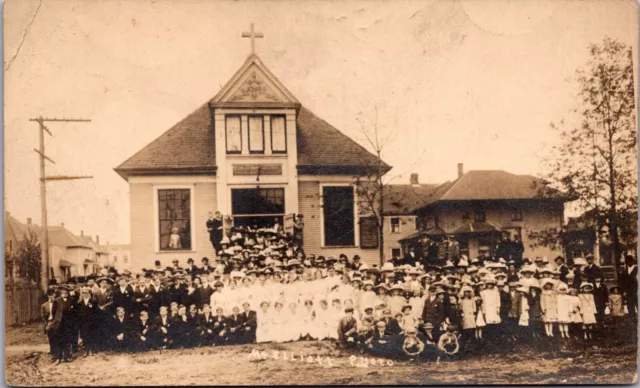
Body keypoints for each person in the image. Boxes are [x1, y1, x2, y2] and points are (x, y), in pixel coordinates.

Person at [41, 289, 62, 363]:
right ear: (47, 296)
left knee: (57, 338)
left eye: (52, 295)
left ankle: (57, 354)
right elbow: (43, 316)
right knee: (51, 339)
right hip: (49, 323)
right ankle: (53, 353)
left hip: (56, 322)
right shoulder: (44, 305)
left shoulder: (57, 303)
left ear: (54, 295)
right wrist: (46, 324)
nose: (51, 297)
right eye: (50, 295)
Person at [76, 287, 97, 357]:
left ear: (89, 293)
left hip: (91, 322)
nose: (85, 294)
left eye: (86, 293)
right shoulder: (79, 302)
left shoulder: (93, 301)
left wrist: (94, 320)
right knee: (84, 335)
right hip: (83, 322)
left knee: (91, 335)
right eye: (83, 293)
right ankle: (85, 350)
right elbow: (78, 313)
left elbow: (96, 312)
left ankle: (90, 349)